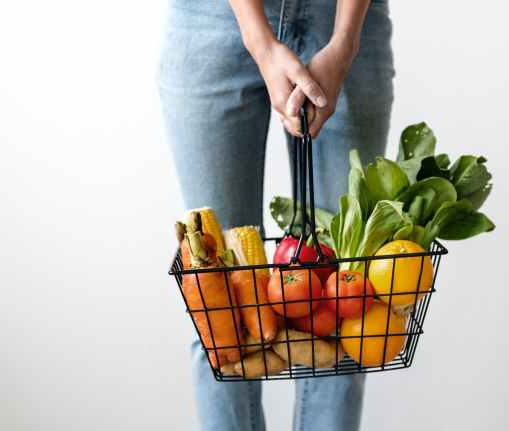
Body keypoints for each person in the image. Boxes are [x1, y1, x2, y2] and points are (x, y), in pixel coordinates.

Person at [157, 0, 393, 429]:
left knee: (345, 304)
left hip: (343, 18)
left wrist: (345, 41)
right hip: (212, 18)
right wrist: (258, 39)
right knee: (217, 308)